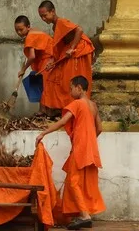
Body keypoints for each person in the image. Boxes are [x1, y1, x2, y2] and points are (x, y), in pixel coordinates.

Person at [36, 76, 105, 229]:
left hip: (81, 149)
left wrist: (43, 133)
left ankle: (85, 215)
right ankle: (81, 215)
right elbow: (99, 128)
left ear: (79, 88)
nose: (70, 91)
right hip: (91, 150)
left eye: (71, 88)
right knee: (81, 183)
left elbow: (62, 122)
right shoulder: (93, 105)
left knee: (74, 182)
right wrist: (89, 140)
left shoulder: (77, 104)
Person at [37, 0, 95, 106]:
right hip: (71, 51)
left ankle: (74, 106)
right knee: (55, 76)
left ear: (53, 11)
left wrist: (72, 48)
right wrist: (53, 60)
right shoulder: (55, 26)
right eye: (41, 17)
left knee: (68, 80)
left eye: (45, 15)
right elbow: (60, 45)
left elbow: (79, 30)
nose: (43, 19)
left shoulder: (61, 22)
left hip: (79, 51)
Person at [14, 15, 63, 114]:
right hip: (49, 59)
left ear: (28, 27)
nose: (19, 32)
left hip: (48, 60)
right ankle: (44, 110)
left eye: (21, 29)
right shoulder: (33, 32)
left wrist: (23, 69)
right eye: (17, 30)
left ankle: (44, 111)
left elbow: (32, 57)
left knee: (45, 86)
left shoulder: (30, 36)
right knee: (44, 85)